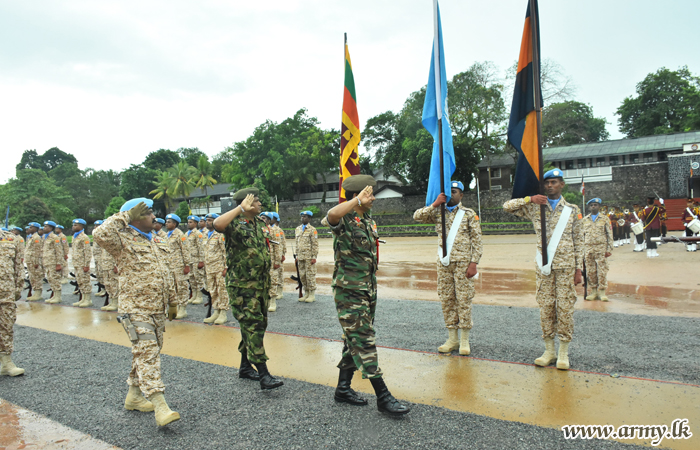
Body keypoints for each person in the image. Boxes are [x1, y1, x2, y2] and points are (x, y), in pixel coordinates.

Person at [323, 175, 410, 416]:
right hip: (349, 289)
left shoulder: (367, 219)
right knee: (363, 338)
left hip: (367, 288)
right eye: (369, 194)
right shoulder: (345, 217)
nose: (374, 198)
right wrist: (355, 201)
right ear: (357, 196)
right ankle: (383, 395)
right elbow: (330, 216)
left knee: (353, 338)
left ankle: (343, 388)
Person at [93, 198, 180, 427]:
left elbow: (166, 271)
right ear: (136, 216)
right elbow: (99, 234)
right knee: (148, 351)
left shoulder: (158, 239)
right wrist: (126, 215)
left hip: (157, 308)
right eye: (148, 212)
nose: (154, 216)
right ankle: (160, 406)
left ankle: (133, 396)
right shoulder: (121, 239)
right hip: (135, 309)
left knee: (145, 351)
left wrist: (173, 301)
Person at [503, 168, 583, 371]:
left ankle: (563, 352)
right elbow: (507, 207)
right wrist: (529, 199)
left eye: (554, 182)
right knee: (546, 307)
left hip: (566, 266)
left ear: (562, 184)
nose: (550, 186)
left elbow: (579, 240)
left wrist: (578, 269)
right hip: (544, 267)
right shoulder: (535, 206)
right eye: (547, 183)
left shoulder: (572, 210)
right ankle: (549, 351)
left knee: (564, 308)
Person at [213, 187, 283, 390]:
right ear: (247, 203)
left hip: (260, 284)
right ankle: (263, 373)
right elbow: (217, 224)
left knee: (256, 325)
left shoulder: (260, 222)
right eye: (257, 201)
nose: (260, 204)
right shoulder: (233, 222)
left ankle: (245, 366)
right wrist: (239, 209)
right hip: (242, 286)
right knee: (252, 324)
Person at [413, 180, 482, 355]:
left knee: (464, 299)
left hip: (463, 263)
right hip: (444, 263)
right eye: (449, 191)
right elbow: (417, 216)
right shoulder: (438, 212)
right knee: (447, 299)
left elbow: (477, 241)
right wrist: (434, 204)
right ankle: (452, 338)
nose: (452, 194)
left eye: (455, 191)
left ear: (462, 195)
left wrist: (474, 263)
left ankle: (464, 340)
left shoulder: (468, 214)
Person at [0, 227, 25, 376]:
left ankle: (6, 363)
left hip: (6, 292)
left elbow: (18, 266)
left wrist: (17, 289)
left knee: (6, 326)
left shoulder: (11, 239)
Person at [582, 198, 613, 301]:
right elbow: (581, 236)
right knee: (590, 271)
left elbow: (610, 234)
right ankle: (593, 291)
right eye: (591, 205)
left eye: (595, 205)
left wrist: (609, 249)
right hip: (588, 248)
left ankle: (602, 292)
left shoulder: (605, 219)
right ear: (589, 207)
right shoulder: (585, 220)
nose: (593, 207)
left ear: (599, 206)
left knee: (602, 271)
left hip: (601, 248)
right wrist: (581, 250)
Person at [203, 213, 230, 325]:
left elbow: (226, 251)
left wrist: (226, 267)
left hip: (219, 267)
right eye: (206, 220)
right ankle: (216, 311)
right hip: (209, 268)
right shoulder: (205, 234)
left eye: (210, 220)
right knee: (212, 290)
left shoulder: (220, 234)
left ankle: (223, 313)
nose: (207, 222)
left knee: (221, 290)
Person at [164, 214, 192, 319]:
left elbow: (185, 250)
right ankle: (174, 308)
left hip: (179, 265)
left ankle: (183, 308)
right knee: (172, 288)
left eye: (169, 222)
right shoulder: (166, 235)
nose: (166, 223)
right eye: (166, 222)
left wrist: (187, 265)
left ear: (175, 224)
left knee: (182, 287)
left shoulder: (180, 235)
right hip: (170, 266)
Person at [295, 211, 319, 303]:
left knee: (310, 275)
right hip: (300, 257)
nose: (302, 218)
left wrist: (314, 256)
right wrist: (297, 255)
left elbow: (315, 244)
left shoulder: (312, 229)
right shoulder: (297, 229)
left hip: (309, 257)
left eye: (305, 217)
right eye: (302, 216)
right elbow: (297, 243)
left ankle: (312, 294)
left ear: (309, 218)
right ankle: (306, 293)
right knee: (302, 276)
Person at [70, 219, 94, 308]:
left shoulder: (84, 237)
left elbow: (87, 252)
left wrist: (86, 265)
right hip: (77, 263)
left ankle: (88, 300)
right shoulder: (75, 236)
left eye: (76, 225)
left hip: (82, 263)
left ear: (81, 226)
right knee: (80, 281)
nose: (73, 226)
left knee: (85, 281)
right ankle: (83, 299)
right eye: (73, 225)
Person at [262, 213, 283, 312]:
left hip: (272, 260)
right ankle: (265, 301)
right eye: (261, 218)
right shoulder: (258, 230)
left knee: (273, 281)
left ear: (269, 220)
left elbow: (277, 247)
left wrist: (277, 261)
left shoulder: (274, 230)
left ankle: (273, 301)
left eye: (264, 218)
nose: (262, 220)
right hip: (262, 261)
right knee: (263, 282)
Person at [42, 221, 64, 304]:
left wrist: (58, 263)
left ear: (51, 228)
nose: (44, 228)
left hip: (53, 262)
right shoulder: (45, 237)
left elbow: (59, 251)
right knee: (50, 279)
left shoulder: (55, 238)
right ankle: (54, 295)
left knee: (55, 279)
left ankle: (58, 297)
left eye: (46, 226)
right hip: (47, 261)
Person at [185, 216, 206, 305]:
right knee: (191, 278)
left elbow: (201, 247)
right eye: (188, 222)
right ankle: (194, 294)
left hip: (196, 259)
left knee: (198, 278)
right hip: (190, 259)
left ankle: (199, 296)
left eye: (190, 222)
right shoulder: (186, 234)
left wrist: (201, 260)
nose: (188, 224)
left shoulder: (198, 234)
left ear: (195, 224)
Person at [25, 222, 44, 301]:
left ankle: (38, 294)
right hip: (30, 261)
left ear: (35, 229)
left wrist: (36, 262)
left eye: (31, 227)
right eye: (29, 227)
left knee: (36, 277)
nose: (29, 228)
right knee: (32, 277)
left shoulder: (36, 238)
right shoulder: (31, 237)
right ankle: (35, 292)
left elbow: (37, 251)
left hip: (34, 261)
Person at [271, 212, 286, 302]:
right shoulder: (266, 229)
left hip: (278, 254)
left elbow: (283, 242)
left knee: (279, 273)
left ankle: (279, 291)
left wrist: (283, 254)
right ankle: (274, 291)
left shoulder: (278, 230)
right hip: (272, 255)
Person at [93, 220, 106, 297]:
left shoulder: (103, 236)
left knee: (103, 274)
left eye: (97, 225)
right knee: (99, 274)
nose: (95, 227)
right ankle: (102, 289)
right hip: (97, 257)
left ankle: (106, 290)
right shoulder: (96, 235)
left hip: (102, 257)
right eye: (95, 225)